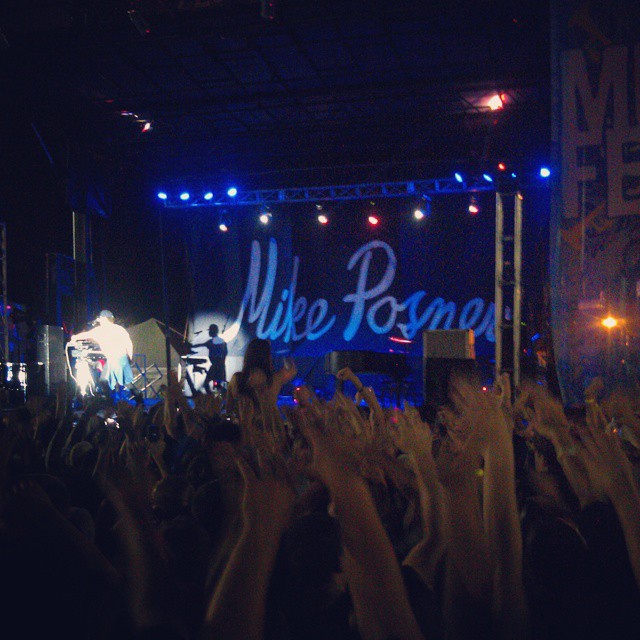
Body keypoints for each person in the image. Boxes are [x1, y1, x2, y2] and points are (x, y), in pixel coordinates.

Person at [70, 310, 140, 402]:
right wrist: (130, 357)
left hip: (117, 359)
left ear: (104, 319)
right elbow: (129, 343)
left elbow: (86, 334)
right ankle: (115, 401)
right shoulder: (119, 329)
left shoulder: (102, 330)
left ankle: (112, 401)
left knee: (110, 381)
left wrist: (75, 337)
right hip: (118, 359)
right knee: (114, 381)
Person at [189, 324, 228, 393]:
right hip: (221, 368)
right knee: (217, 386)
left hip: (215, 368)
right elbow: (225, 353)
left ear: (212, 331)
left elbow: (200, 345)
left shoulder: (211, 342)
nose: (209, 332)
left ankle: (212, 399)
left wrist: (189, 346)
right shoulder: (223, 342)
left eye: (210, 331)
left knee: (208, 384)